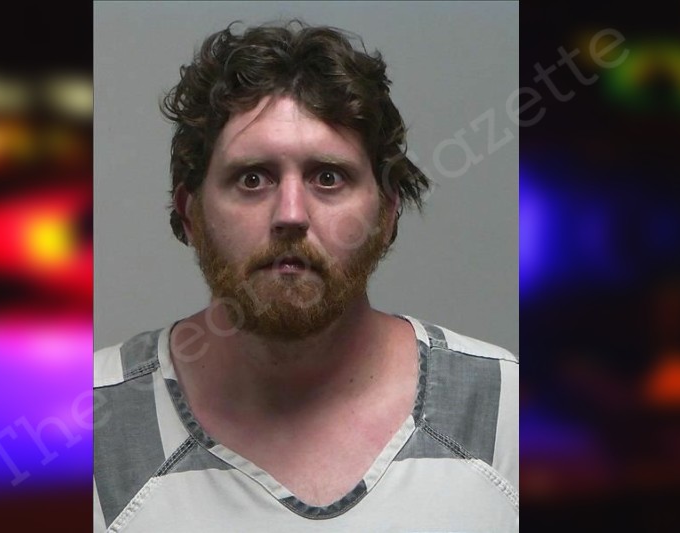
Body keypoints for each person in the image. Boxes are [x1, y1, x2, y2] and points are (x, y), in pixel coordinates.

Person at [94, 20, 518, 532]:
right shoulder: (89, 425)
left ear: (387, 213)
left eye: (328, 178)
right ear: (191, 213)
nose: (291, 214)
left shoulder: (511, 411)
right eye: (253, 178)